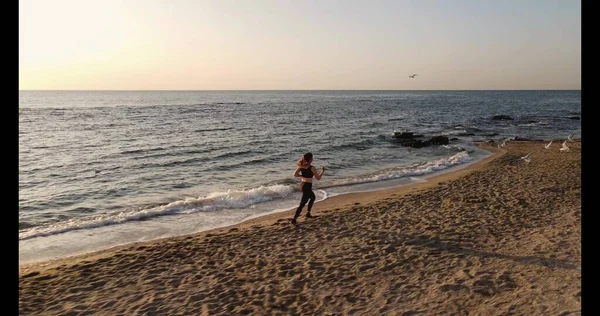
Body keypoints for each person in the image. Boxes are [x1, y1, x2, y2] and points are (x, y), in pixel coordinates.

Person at [291, 152, 325, 225]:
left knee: (312, 197)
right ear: (310, 159)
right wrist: (322, 172)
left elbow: (295, 174)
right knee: (303, 203)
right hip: (307, 186)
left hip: (303, 185)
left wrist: (302, 177)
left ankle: (308, 213)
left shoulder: (301, 166)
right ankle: (294, 219)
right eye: (312, 158)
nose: (312, 159)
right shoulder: (312, 168)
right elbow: (318, 178)